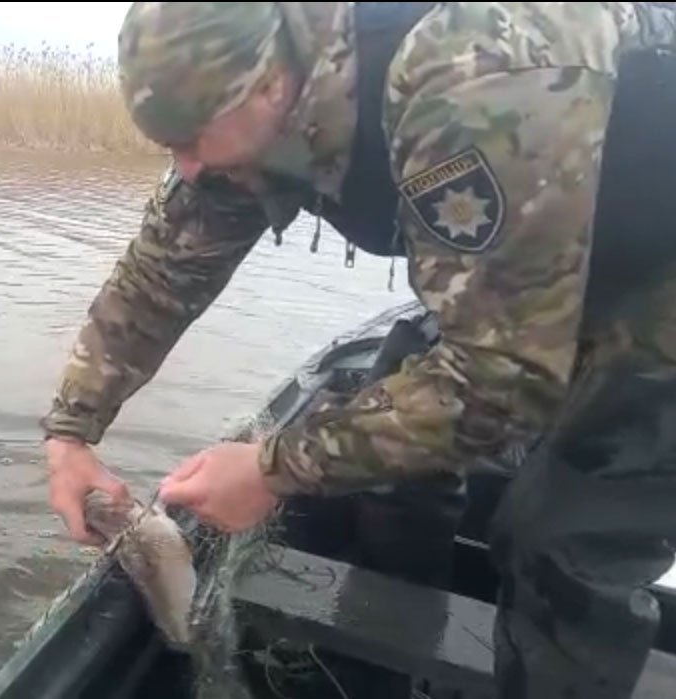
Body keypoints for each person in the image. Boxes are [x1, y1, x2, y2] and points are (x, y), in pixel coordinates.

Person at [38, 2, 676, 698]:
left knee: (560, 540)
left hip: (658, 278)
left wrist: (272, 469)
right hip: (519, 272)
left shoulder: (473, 69)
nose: (185, 168)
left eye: (191, 141)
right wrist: (71, 432)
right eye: (170, 146)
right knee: (386, 466)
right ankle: (391, 673)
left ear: (271, 85)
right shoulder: (242, 120)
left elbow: (502, 378)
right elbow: (162, 273)